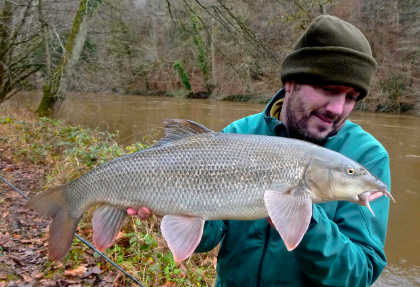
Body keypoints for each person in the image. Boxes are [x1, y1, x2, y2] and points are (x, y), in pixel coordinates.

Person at [128, 15, 391, 286]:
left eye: (351, 97)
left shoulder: (367, 157)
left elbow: (360, 275)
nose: (337, 108)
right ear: (291, 82)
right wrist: (170, 202)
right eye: (328, 89)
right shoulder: (241, 133)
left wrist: (307, 221)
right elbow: (209, 238)